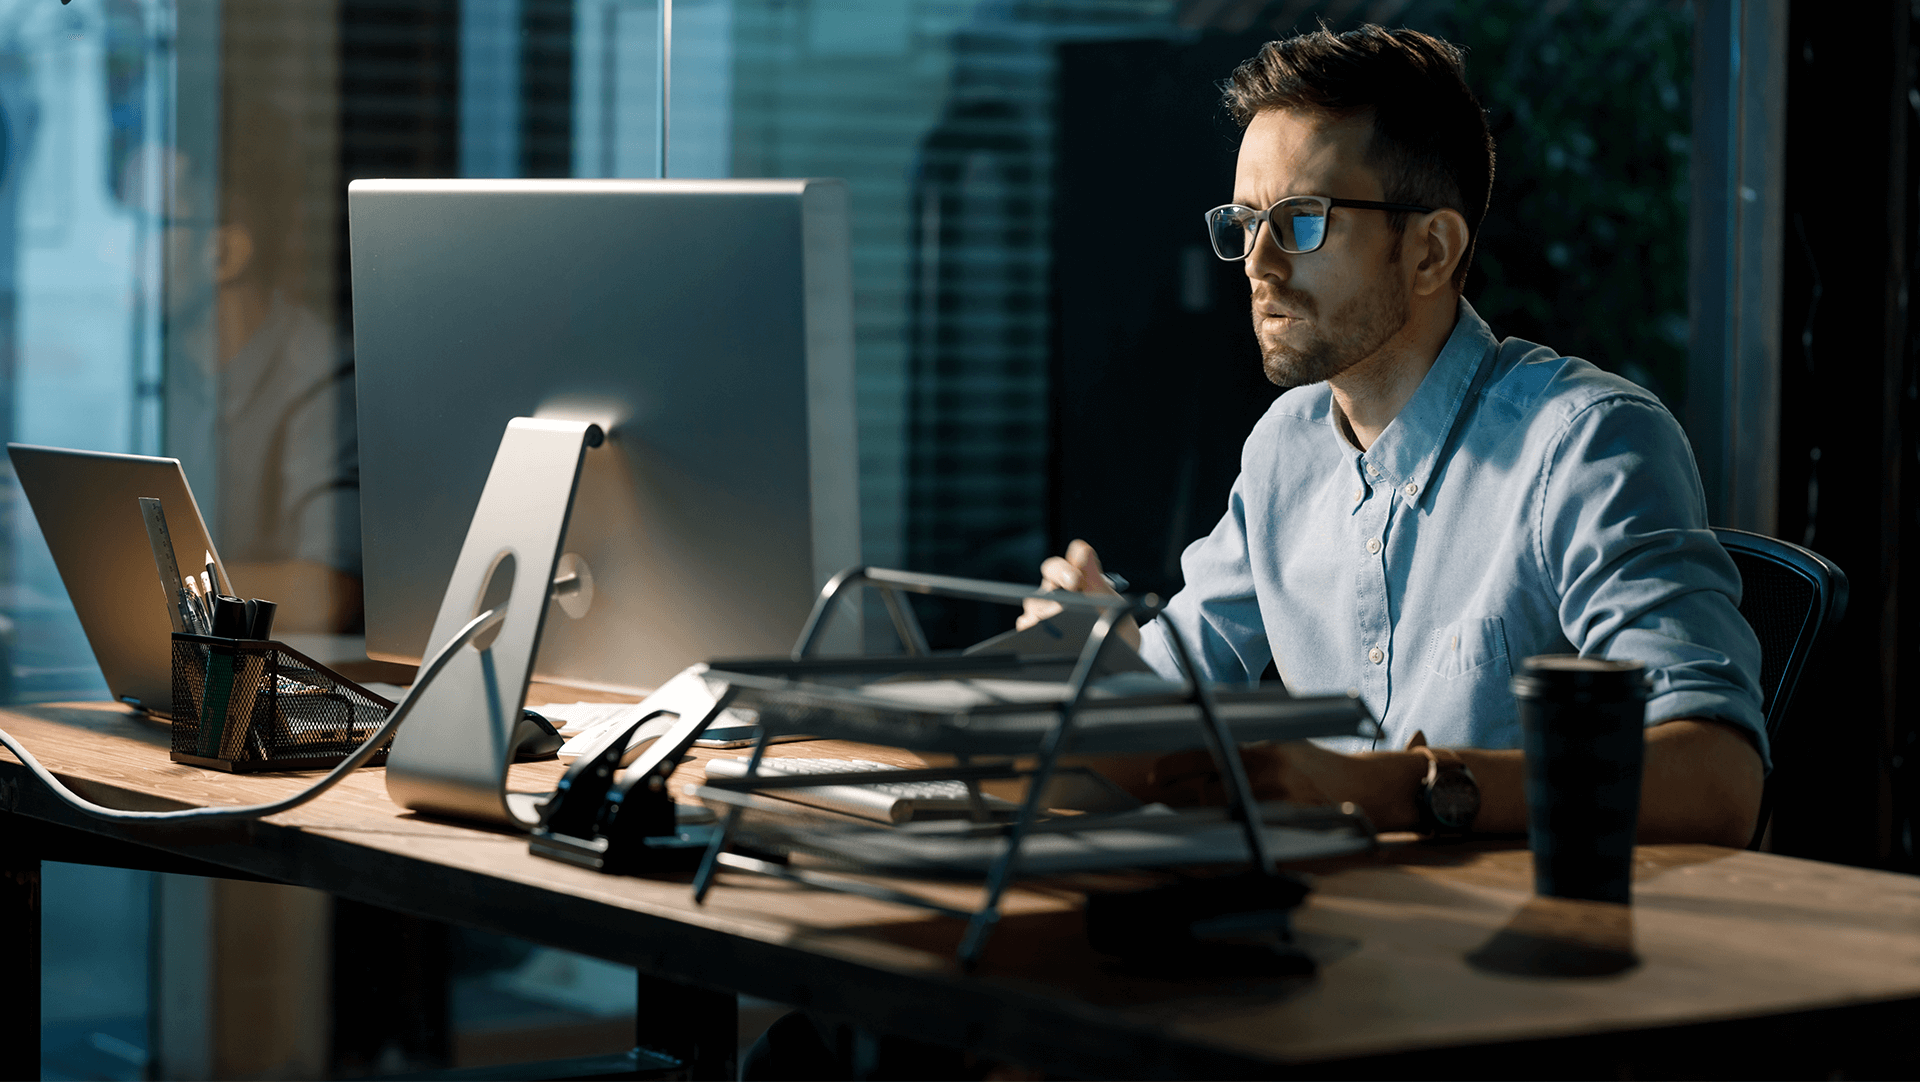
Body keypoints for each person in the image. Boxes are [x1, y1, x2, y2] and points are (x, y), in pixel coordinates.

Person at [1022, 24, 1767, 848]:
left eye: (1301, 221)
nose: (1258, 265)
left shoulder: (1588, 447)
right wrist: (1099, 652)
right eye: (1245, 221)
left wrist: (1398, 788)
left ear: (1430, 250)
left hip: (1526, 951)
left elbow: (1718, 780)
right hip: (1341, 930)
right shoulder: (1287, 448)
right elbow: (1177, 686)